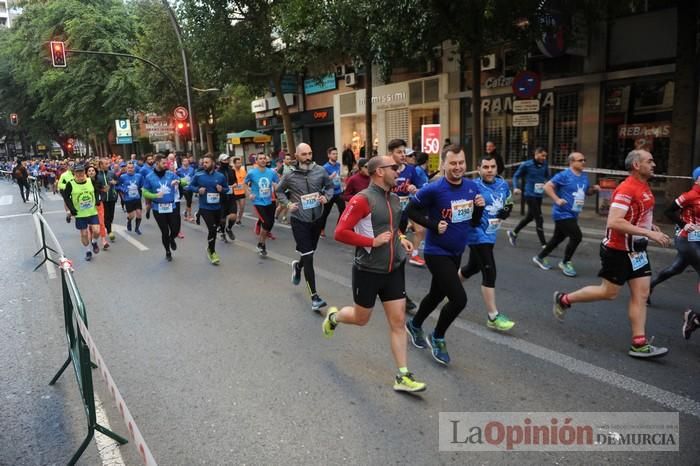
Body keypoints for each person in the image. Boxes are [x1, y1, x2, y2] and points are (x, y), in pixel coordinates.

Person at [553, 150, 672, 358]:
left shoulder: (644, 185)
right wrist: (647, 232)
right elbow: (614, 221)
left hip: (638, 251)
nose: (654, 164)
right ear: (636, 165)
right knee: (608, 292)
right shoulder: (626, 189)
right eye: (649, 161)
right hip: (618, 250)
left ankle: (639, 343)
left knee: (642, 294)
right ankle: (564, 299)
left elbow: (637, 213)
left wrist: (648, 224)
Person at [323, 156, 426, 393]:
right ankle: (334, 318)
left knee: (398, 322)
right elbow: (340, 232)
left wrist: (401, 240)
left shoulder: (394, 198)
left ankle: (403, 376)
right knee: (361, 319)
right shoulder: (362, 200)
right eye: (394, 168)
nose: (398, 171)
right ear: (379, 171)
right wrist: (372, 241)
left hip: (393, 269)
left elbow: (392, 228)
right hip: (367, 271)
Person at [405, 144, 485, 365]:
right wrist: (432, 224)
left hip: (456, 251)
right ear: (443, 164)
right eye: (453, 163)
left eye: (461, 162)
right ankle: (438, 336)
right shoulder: (434, 188)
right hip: (436, 252)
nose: (458, 167)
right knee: (459, 299)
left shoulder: (471, 187)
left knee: (436, 295)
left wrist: (479, 207)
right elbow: (410, 210)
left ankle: (414, 324)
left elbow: (475, 222)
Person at [458, 155, 516, 332]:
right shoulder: (473, 186)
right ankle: (493, 316)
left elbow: (509, 201)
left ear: (497, 168)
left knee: (472, 268)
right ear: (479, 169)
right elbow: (462, 206)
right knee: (489, 271)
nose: (489, 170)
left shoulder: (503, 184)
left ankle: (447, 287)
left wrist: (507, 209)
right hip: (476, 234)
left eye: (492, 166)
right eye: (485, 167)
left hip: (491, 234)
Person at [276, 142, 334, 312]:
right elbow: (279, 191)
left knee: (309, 253)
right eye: (304, 154)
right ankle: (314, 297)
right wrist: (287, 205)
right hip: (299, 220)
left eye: (310, 153)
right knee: (309, 257)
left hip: (316, 219)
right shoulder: (289, 175)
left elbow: (330, 187)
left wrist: (326, 197)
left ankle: (297, 266)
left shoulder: (320, 171)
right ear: (296, 156)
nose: (308, 157)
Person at [532, 152, 600, 276]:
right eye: (580, 160)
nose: (583, 162)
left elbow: (586, 192)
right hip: (562, 213)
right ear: (572, 162)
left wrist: (593, 190)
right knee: (577, 236)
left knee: (558, 238)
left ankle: (540, 257)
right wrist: (557, 199)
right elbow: (547, 187)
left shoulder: (584, 176)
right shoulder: (564, 175)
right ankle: (565, 262)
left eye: (584, 160)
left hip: (574, 213)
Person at [649, 166, 700, 299]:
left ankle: (649, 286)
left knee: (675, 269)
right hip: (686, 239)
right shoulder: (689, 196)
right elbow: (668, 212)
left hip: (698, 240)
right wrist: (684, 224)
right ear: (698, 179)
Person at [188, 153, 231, 265]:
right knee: (212, 229)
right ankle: (212, 251)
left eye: (207, 162)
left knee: (216, 228)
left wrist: (222, 189)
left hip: (217, 207)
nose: (204, 164)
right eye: (203, 162)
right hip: (205, 207)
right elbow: (190, 186)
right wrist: (198, 190)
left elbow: (227, 189)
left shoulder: (220, 176)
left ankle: (210, 248)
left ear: (213, 163)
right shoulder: (199, 175)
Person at [143, 154, 186, 261]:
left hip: (172, 206)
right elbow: (144, 191)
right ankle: (167, 251)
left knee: (175, 229)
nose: (166, 164)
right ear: (157, 163)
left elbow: (185, 182)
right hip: (158, 208)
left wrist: (179, 182)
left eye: (166, 162)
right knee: (164, 231)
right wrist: (154, 196)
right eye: (163, 163)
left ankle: (172, 238)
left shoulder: (171, 174)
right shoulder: (149, 176)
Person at [508, 147, 550, 247]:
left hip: (539, 194)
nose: (544, 158)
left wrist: (549, 183)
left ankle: (513, 233)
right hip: (529, 194)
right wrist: (515, 187)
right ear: (536, 154)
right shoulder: (527, 165)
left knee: (530, 217)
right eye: (542, 155)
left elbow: (548, 177)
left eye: (545, 156)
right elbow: (516, 176)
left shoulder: (545, 164)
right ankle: (544, 244)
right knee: (539, 218)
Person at [62, 164, 101, 261]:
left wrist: (97, 200)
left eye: (81, 172)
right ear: (74, 173)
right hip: (80, 214)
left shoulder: (90, 180)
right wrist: (71, 209)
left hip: (92, 211)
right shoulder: (70, 184)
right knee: (84, 234)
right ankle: (87, 251)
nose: (80, 174)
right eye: (77, 172)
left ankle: (94, 241)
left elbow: (96, 191)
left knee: (96, 231)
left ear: (84, 172)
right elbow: (66, 197)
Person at [245, 153, 279, 257]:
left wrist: (276, 186)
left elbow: (277, 183)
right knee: (266, 222)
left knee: (271, 223)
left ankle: (260, 243)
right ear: (257, 161)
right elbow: (245, 183)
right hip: (258, 201)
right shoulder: (252, 173)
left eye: (264, 158)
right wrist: (249, 194)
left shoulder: (271, 172)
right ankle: (262, 245)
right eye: (260, 159)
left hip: (270, 200)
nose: (263, 160)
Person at [319, 147, 346, 238]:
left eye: (336, 153)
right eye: (333, 154)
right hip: (329, 193)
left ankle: (338, 229)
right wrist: (330, 177)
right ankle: (321, 229)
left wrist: (341, 179)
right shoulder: (325, 167)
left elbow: (337, 177)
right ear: (329, 155)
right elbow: (323, 181)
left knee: (343, 211)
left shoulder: (338, 165)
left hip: (338, 192)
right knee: (326, 213)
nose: (335, 155)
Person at [117, 162, 145, 234]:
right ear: (126, 168)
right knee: (131, 215)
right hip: (128, 199)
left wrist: (142, 189)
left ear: (134, 168)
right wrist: (124, 190)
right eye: (128, 168)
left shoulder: (139, 176)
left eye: (131, 168)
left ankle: (137, 228)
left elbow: (142, 185)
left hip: (137, 198)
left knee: (139, 213)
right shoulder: (123, 177)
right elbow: (117, 186)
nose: (130, 169)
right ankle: (129, 221)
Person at [96, 158, 118, 243]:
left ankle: (108, 228)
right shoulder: (97, 175)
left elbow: (117, 180)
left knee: (111, 215)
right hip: (103, 199)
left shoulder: (111, 173)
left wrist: (114, 182)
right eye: (105, 164)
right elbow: (95, 187)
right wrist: (101, 189)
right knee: (105, 215)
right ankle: (109, 232)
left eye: (108, 163)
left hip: (112, 197)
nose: (107, 165)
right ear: (101, 165)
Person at [86, 165, 109, 250]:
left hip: (99, 205)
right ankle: (92, 242)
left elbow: (103, 191)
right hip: (88, 207)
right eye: (89, 171)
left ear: (95, 172)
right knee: (91, 226)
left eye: (93, 170)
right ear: (86, 173)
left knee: (101, 223)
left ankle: (104, 241)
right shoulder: (84, 182)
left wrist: (102, 198)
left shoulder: (99, 181)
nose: (91, 172)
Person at [217, 154, 237, 242]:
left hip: (231, 196)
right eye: (224, 160)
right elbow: (215, 182)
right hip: (221, 197)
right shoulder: (217, 172)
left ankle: (228, 228)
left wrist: (235, 185)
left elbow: (235, 181)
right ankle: (222, 232)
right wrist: (219, 188)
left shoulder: (231, 170)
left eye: (227, 160)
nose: (226, 162)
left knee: (233, 216)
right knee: (222, 219)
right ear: (220, 161)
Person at [176, 157, 196, 222]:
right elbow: (176, 176)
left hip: (190, 187)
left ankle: (185, 213)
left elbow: (194, 176)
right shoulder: (179, 170)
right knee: (189, 201)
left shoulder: (192, 169)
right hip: (183, 188)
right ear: (182, 162)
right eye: (184, 161)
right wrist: (180, 180)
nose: (186, 162)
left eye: (187, 161)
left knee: (189, 201)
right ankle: (189, 215)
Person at [232, 156, 247, 225]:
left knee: (242, 207)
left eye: (240, 163)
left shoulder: (243, 170)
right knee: (235, 208)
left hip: (241, 191)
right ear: (234, 164)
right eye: (238, 163)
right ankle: (234, 219)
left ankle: (239, 219)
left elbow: (246, 180)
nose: (239, 164)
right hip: (234, 192)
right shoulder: (232, 171)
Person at [140, 154, 155, 219]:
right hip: (147, 189)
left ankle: (157, 214)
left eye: (151, 159)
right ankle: (148, 211)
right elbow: (140, 178)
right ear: (146, 161)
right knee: (148, 204)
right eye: (149, 159)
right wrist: (142, 187)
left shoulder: (155, 167)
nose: (151, 161)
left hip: (155, 187)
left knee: (156, 202)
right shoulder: (143, 169)